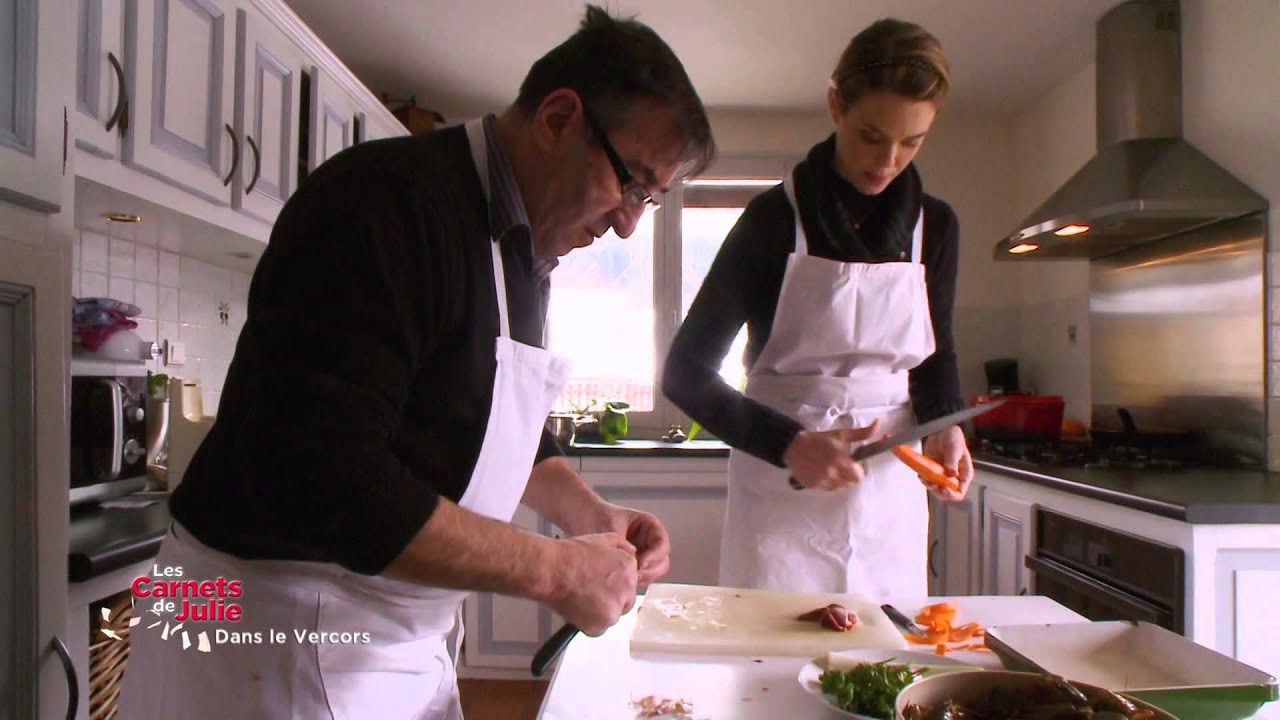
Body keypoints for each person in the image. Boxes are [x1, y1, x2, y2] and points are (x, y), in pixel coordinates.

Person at [119, 6, 715, 719]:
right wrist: (555, 570)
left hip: (388, 635)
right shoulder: (382, 203)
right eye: (633, 184)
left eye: (652, 199)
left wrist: (591, 513)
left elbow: (486, 419)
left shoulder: (525, 248)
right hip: (273, 631)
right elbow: (326, 477)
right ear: (558, 119)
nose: (628, 223)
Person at [661, 18, 969, 600]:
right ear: (835, 105)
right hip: (782, 495)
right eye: (871, 136)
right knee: (767, 669)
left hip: (888, 498)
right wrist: (790, 444)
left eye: (913, 141)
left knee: (885, 666)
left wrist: (946, 426)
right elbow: (684, 372)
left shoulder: (938, 228)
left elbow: (936, 352)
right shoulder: (771, 222)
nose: (889, 160)